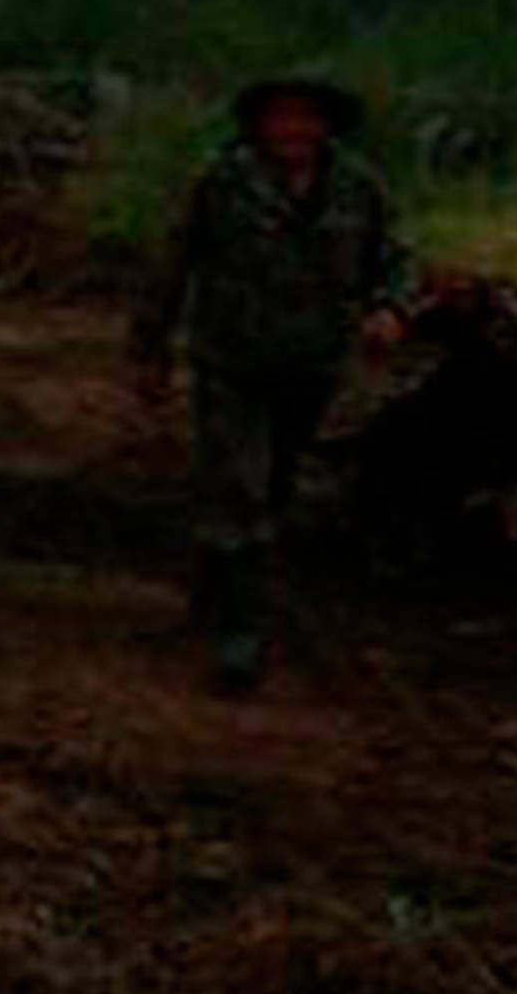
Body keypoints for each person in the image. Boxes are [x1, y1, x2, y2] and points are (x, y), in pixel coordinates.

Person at [131, 78, 413, 695]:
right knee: (242, 489)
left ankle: (216, 577)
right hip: (231, 363)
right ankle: (241, 640)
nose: (293, 132)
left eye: (305, 119)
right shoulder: (221, 183)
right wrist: (149, 350)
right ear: (257, 126)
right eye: (279, 119)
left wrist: (390, 308)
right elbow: (171, 265)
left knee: (275, 485)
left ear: (326, 126)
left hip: (313, 367)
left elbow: (395, 258)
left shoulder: (358, 187)